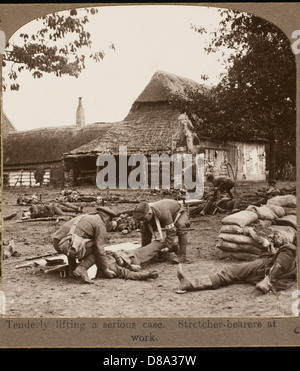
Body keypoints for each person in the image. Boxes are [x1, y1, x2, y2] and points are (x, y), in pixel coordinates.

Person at [176, 243, 297, 294]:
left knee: (231, 271)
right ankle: (189, 284)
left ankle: (268, 280)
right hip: (282, 273)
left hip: (267, 268)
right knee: (234, 273)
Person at [52, 206, 118, 283]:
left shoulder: (86, 217)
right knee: (96, 249)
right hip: (68, 244)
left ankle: (71, 270)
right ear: (107, 218)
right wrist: (106, 269)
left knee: (75, 241)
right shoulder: (100, 223)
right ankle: (82, 268)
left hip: (58, 242)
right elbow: (100, 249)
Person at [74, 240, 162, 283]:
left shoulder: (97, 255)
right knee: (157, 244)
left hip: (130, 254)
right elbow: (130, 274)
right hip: (135, 258)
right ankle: (169, 249)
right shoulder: (110, 266)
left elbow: (86, 264)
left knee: (155, 251)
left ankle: (165, 253)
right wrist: (147, 275)